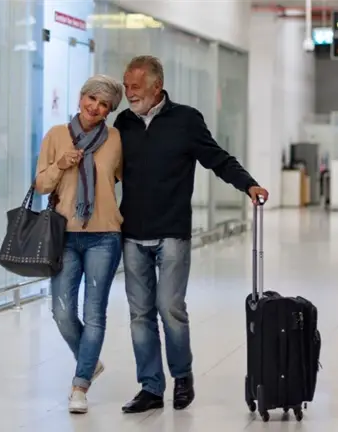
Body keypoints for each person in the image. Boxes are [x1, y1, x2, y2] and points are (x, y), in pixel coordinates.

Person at [113, 55, 269, 414]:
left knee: (170, 308)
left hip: (172, 231)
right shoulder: (123, 122)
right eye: (126, 85)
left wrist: (248, 184)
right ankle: (151, 387)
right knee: (139, 314)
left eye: (136, 86)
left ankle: (182, 377)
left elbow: (217, 158)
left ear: (157, 86)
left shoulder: (185, 120)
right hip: (132, 232)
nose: (129, 92)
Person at [34, 74, 124, 414]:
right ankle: (90, 360)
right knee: (61, 312)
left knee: (94, 312)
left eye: (104, 104)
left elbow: (128, 178)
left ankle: (80, 385)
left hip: (105, 235)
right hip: (65, 235)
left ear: (109, 111)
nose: (95, 107)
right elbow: (41, 185)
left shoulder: (115, 139)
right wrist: (61, 165)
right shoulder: (56, 136)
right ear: (81, 98)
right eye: (92, 99)